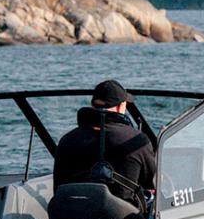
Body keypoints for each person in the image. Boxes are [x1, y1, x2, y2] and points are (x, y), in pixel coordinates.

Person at [53, 80, 156, 211]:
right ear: (121, 107)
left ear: (93, 105)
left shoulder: (66, 140)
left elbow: (58, 187)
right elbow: (152, 182)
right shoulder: (137, 140)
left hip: (71, 218)